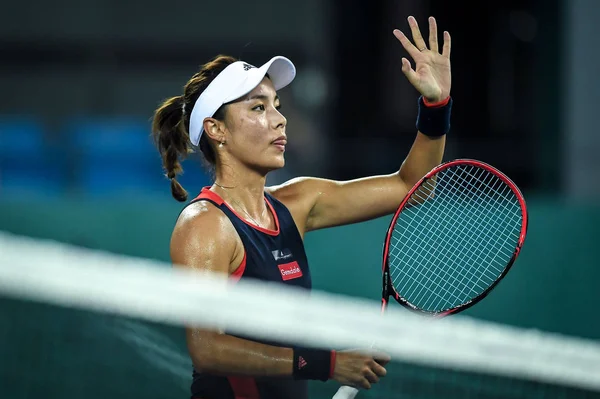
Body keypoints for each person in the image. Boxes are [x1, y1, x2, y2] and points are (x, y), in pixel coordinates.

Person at [151, 15, 451, 399]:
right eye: (258, 108)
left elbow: (413, 187)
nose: (280, 119)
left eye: (276, 104)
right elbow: (208, 349)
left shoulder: (298, 202)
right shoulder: (204, 225)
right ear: (217, 129)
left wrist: (435, 103)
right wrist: (330, 364)